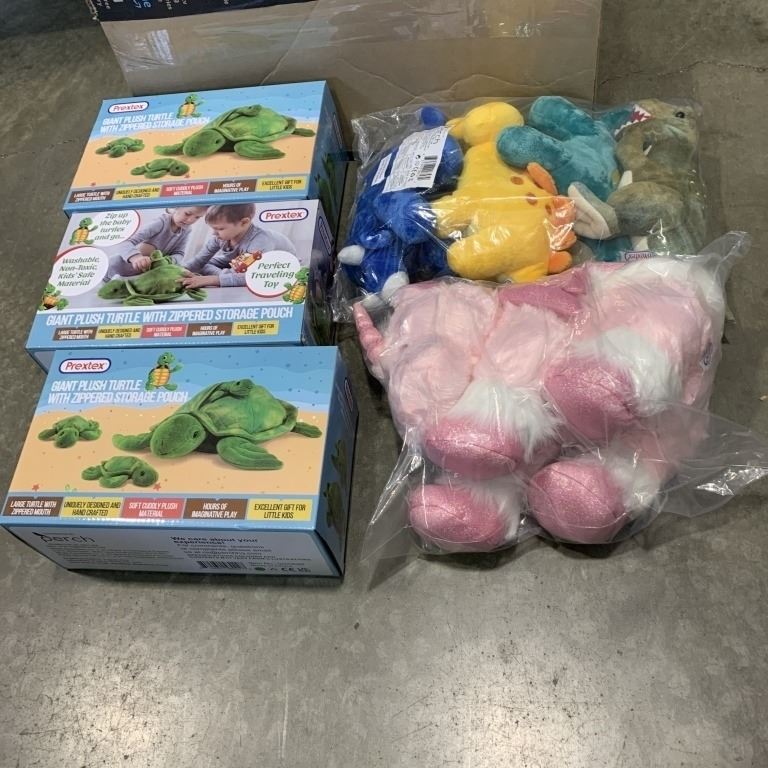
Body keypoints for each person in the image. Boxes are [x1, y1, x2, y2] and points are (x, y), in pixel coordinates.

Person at [182, 204, 296, 288]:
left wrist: (212, 280)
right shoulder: (219, 237)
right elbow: (199, 260)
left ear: (244, 222)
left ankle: (228, 276)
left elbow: (252, 276)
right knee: (204, 264)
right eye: (213, 228)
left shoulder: (260, 241)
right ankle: (228, 275)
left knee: (246, 276)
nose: (214, 233)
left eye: (220, 228)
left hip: (271, 270)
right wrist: (180, 271)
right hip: (239, 264)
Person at [106, 206, 208, 279]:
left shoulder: (186, 230)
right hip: (118, 268)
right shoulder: (160, 223)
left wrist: (168, 261)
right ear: (176, 207)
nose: (190, 220)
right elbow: (125, 242)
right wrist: (136, 257)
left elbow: (179, 253)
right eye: (188, 214)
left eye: (197, 217)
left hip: (144, 275)